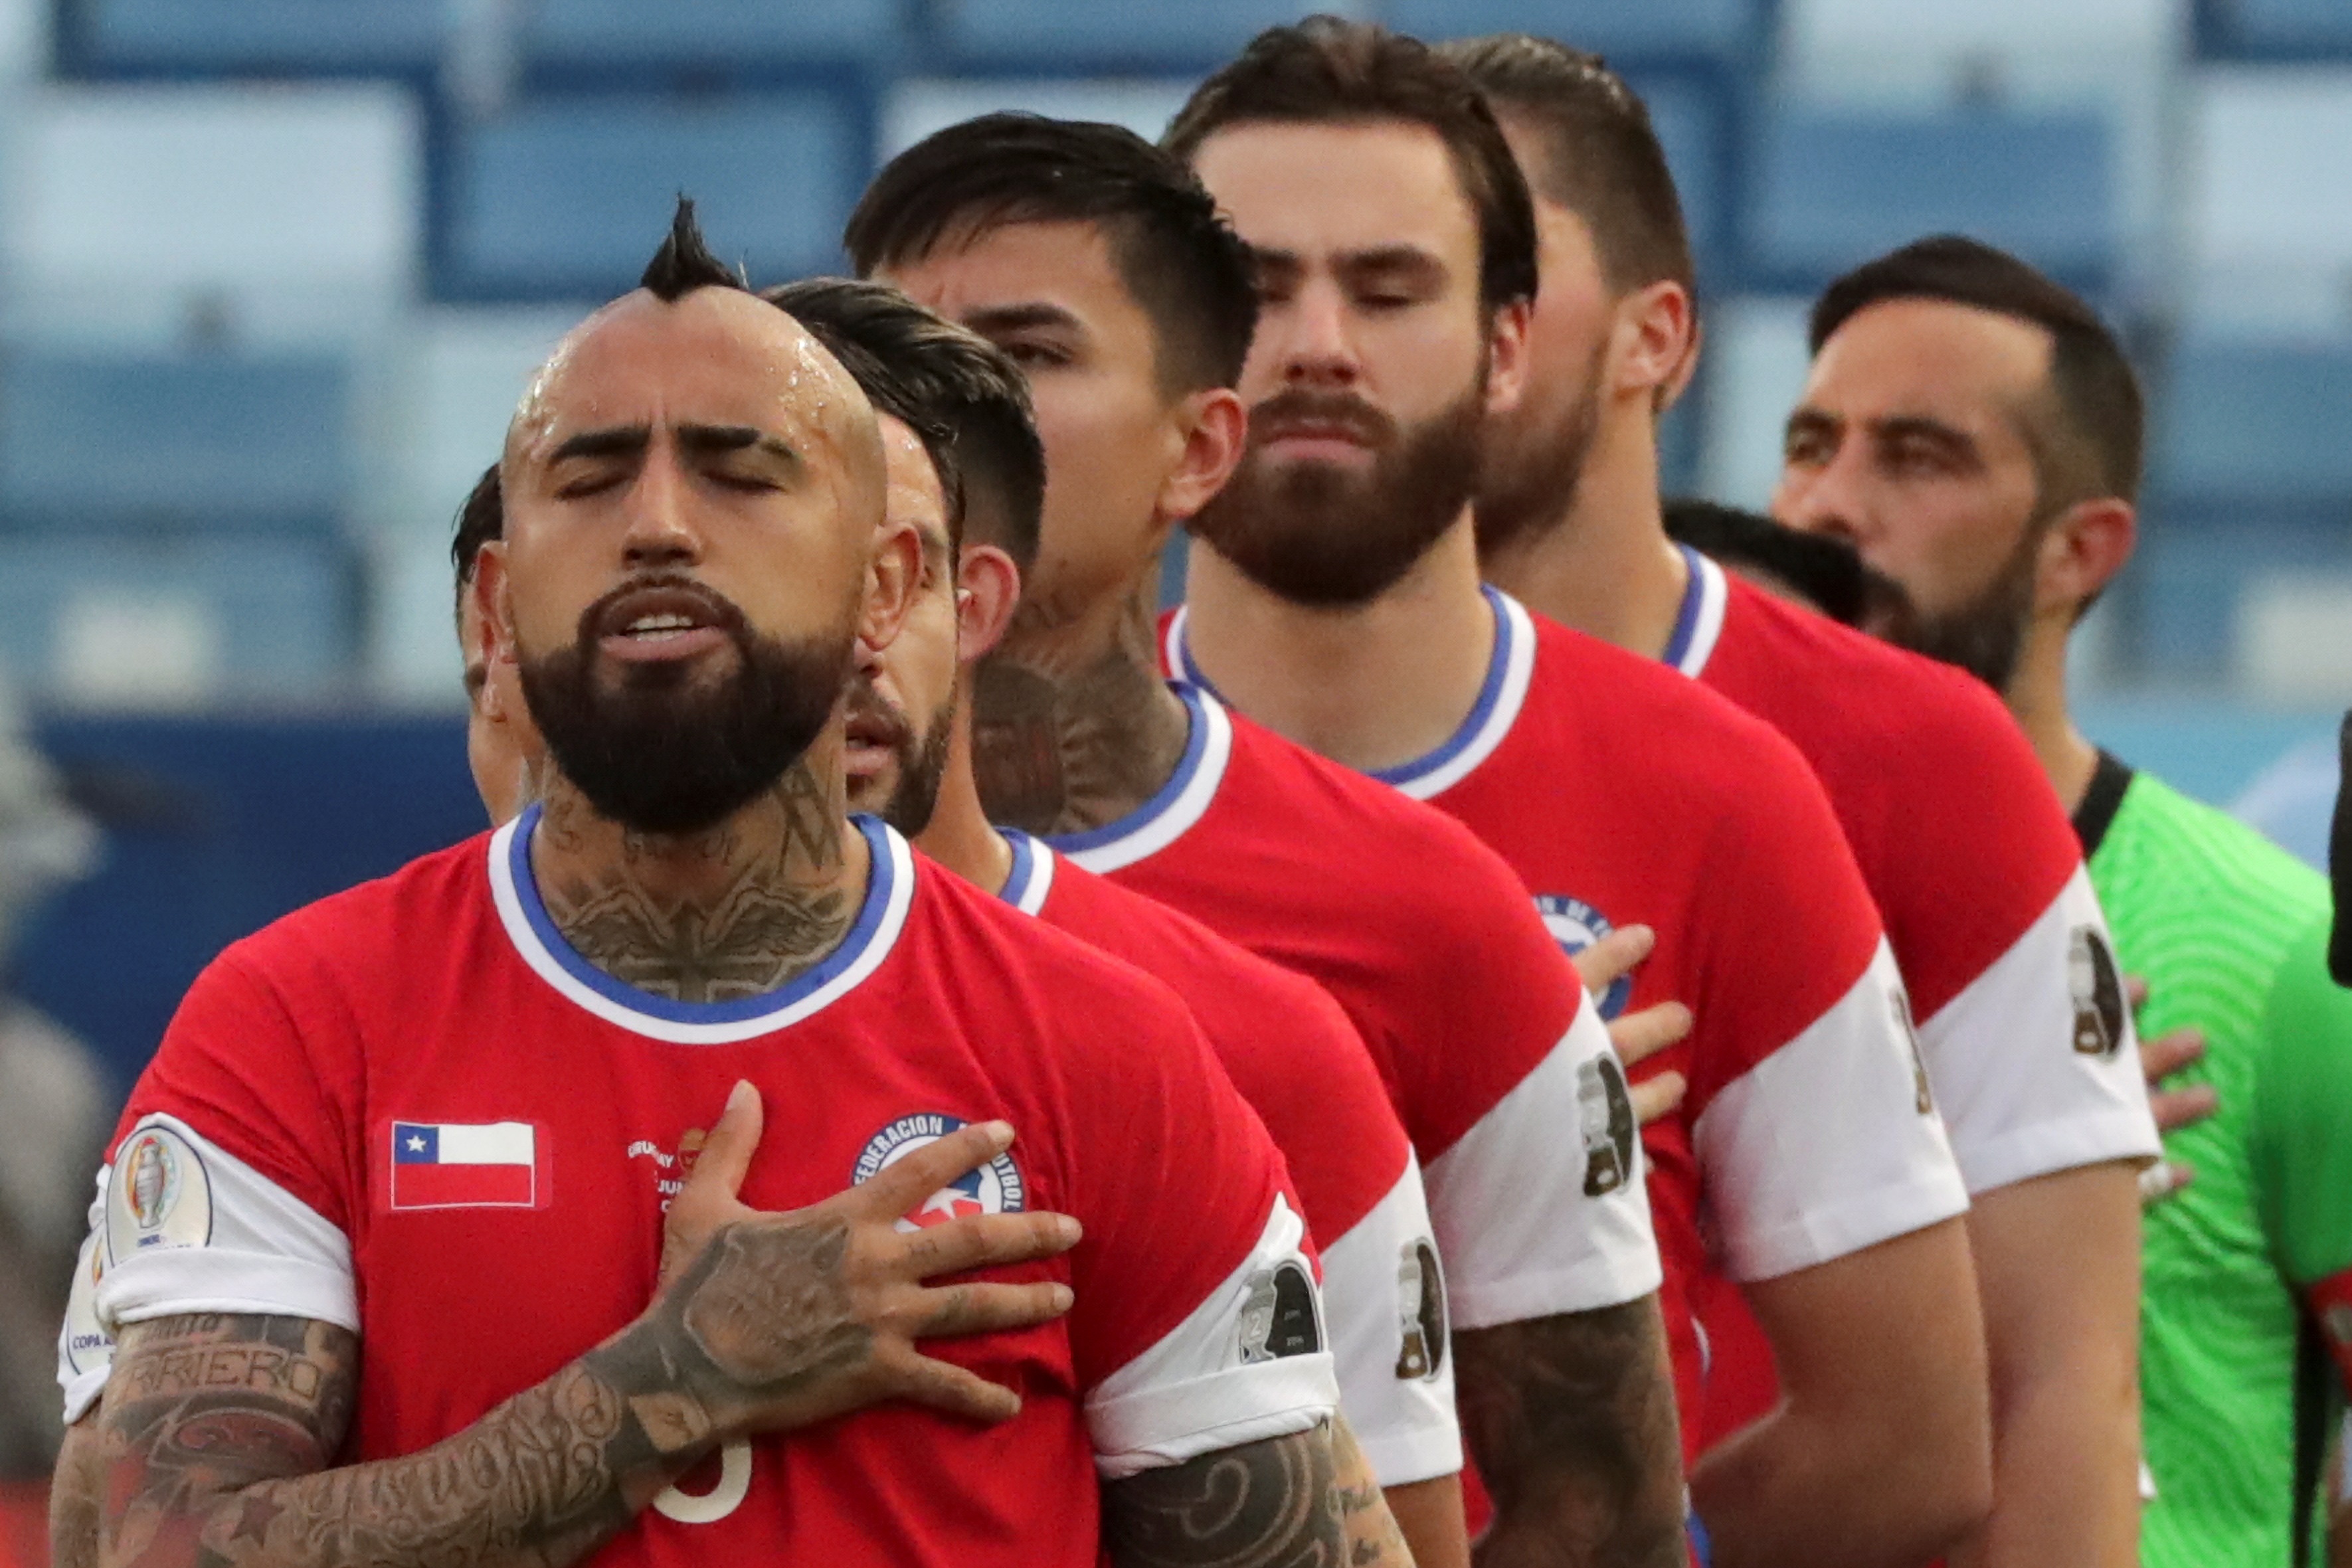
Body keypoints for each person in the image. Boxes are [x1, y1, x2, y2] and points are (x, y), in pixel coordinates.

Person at [60, 203, 1351, 1568]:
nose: (661, 523)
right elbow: (164, 1550)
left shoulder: (1109, 1049)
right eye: (593, 474)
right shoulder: (301, 1024)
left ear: (885, 584)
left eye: (742, 471)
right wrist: (676, 1376)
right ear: (494, 608)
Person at [1160, 20, 1989, 1565]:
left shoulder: (1720, 796)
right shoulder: (999, 808)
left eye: (1389, 289)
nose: (1318, 341)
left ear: (1503, 343)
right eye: (1254, 289)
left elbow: (1911, 1441)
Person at [848, 112, 1674, 1562]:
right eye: (873, 371)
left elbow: (1596, 1507)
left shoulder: (1422, 922)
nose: (928, 416)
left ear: (1200, 446)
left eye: (1022, 356)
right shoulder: (641, 903)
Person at [1443, 36, 2161, 1567]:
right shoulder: (1190, 749)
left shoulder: (1910, 753)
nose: (1437, 317)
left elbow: (2056, 1387)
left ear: (1656, 337)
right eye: (1379, 276)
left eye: (1496, 260)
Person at [766, 272, 1436, 1565]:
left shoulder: (1242, 1047)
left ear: (972, 599)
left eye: (886, 573)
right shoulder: (358, 1016)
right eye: (782, 568)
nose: (836, 641)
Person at [1773, 233, 2352, 1568]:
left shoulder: (2280, 954)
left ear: (2076, 551)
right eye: (1809, 445)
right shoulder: (1691, 902)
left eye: (1915, 459)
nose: (1825, 506)